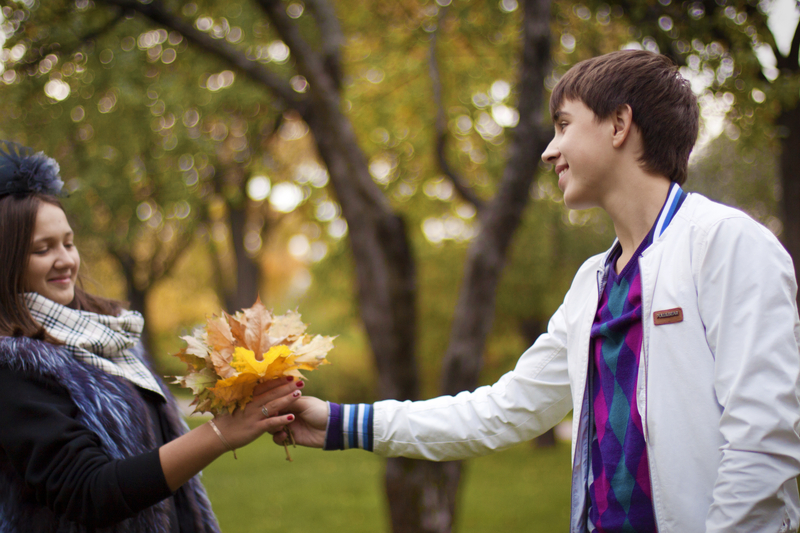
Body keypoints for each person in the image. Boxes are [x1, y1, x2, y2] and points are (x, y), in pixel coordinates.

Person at [268, 50, 800, 532]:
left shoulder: (727, 245)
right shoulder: (592, 284)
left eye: (564, 125)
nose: (549, 152)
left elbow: (762, 442)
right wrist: (341, 424)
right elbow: (502, 411)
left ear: (619, 124)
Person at [0, 140, 303, 532]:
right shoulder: (13, 367)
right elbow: (89, 492)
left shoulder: (109, 338)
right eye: (43, 250)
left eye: (69, 243)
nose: (66, 260)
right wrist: (220, 435)